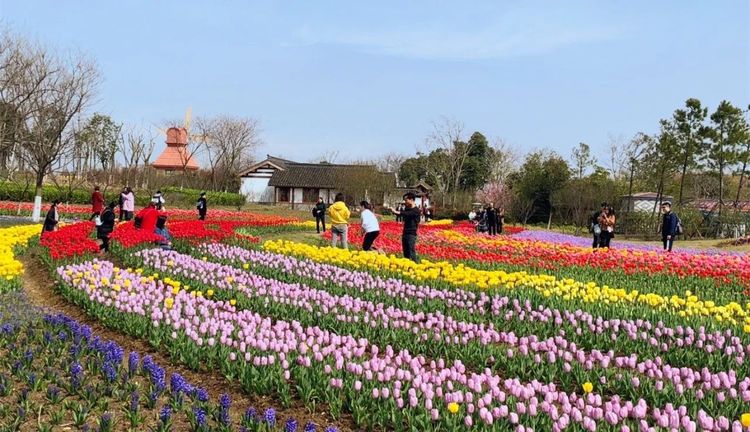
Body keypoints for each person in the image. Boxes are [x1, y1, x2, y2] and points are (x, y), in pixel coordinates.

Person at [389, 192, 421, 262]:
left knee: (411, 252)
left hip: (411, 234)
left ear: (411, 200)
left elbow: (407, 214)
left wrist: (396, 212)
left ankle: (415, 265)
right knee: (406, 252)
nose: (405, 202)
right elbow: (404, 214)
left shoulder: (416, 210)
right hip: (405, 233)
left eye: (406, 200)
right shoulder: (407, 209)